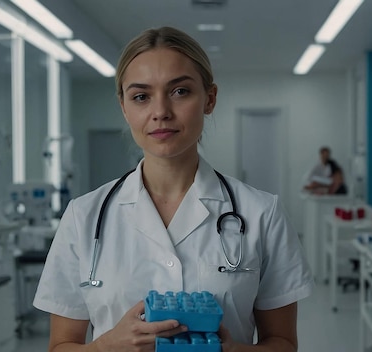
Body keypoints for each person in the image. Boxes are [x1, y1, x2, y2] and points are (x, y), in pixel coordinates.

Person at [33, 26, 313, 352]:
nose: (161, 112)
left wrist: (231, 350)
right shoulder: (83, 217)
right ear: (124, 107)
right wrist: (105, 347)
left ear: (209, 99)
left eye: (180, 92)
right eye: (141, 96)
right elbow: (60, 346)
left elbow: (282, 343)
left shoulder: (262, 214)